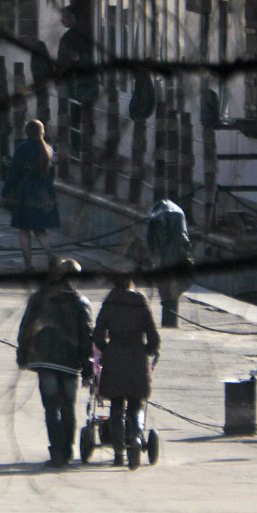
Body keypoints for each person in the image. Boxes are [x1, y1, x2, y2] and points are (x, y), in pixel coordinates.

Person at [16, 258, 93, 468]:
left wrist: (22, 355)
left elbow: (26, 329)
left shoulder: (38, 299)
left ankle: (56, 452)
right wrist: (88, 366)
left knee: (51, 408)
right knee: (68, 407)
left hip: (44, 360)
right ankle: (67, 451)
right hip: (70, 363)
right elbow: (87, 336)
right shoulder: (81, 303)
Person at [93, 273, 160, 467]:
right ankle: (136, 438)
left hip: (114, 358)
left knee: (116, 406)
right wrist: (146, 351)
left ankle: (119, 453)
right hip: (137, 358)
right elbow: (153, 337)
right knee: (135, 405)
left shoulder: (109, 303)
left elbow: (98, 335)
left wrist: (107, 350)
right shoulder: (140, 302)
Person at [1, 118, 60, 272]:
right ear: (42, 132)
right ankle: (51, 257)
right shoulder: (49, 150)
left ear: (27, 132)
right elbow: (51, 176)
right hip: (44, 195)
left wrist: (6, 193)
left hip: (26, 195)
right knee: (40, 229)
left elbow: (13, 174)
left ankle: (28, 265)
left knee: (24, 230)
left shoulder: (23, 149)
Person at [146, 195, 193, 328]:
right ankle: (170, 321)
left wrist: (154, 260)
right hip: (177, 257)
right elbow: (185, 240)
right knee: (173, 290)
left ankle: (169, 322)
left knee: (166, 289)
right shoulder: (178, 213)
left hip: (164, 259)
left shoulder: (156, 215)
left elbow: (152, 240)